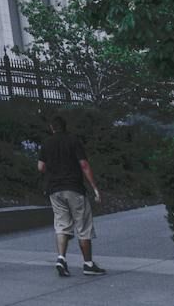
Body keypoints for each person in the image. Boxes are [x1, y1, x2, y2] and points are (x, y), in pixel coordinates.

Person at [38, 112, 105, 277]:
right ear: (65, 126)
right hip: (74, 188)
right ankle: (88, 264)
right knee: (83, 226)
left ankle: (61, 258)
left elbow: (40, 167)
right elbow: (84, 165)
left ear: (52, 128)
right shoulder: (74, 140)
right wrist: (95, 188)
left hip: (55, 189)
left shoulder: (46, 143)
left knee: (62, 225)